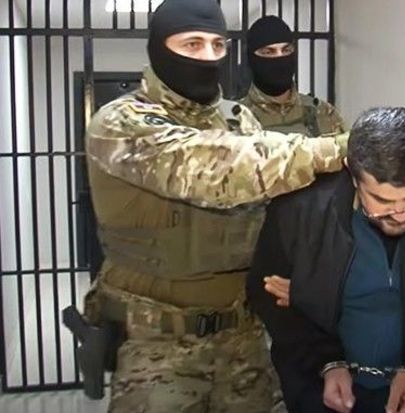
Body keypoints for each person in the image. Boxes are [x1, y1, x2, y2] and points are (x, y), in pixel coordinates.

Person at [79, 0, 348, 411]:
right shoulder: (118, 122)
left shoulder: (238, 119)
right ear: (158, 48)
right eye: (192, 44)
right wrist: (344, 148)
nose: (208, 56)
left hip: (242, 336)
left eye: (217, 45)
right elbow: (218, 166)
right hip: (157, 345)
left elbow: (278, 208)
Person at [247, 107, 405, 413]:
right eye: (382, 201)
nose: (400, 214)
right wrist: (326, 362)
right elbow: (267, 294)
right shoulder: (299, 209)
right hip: (319, 391)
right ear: (351, 172)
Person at [240, 15, 346, 136]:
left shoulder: (324, 114)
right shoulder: (235, 119)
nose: (280, 58)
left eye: (286, 50)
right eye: (268, 52)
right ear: (251, 58)